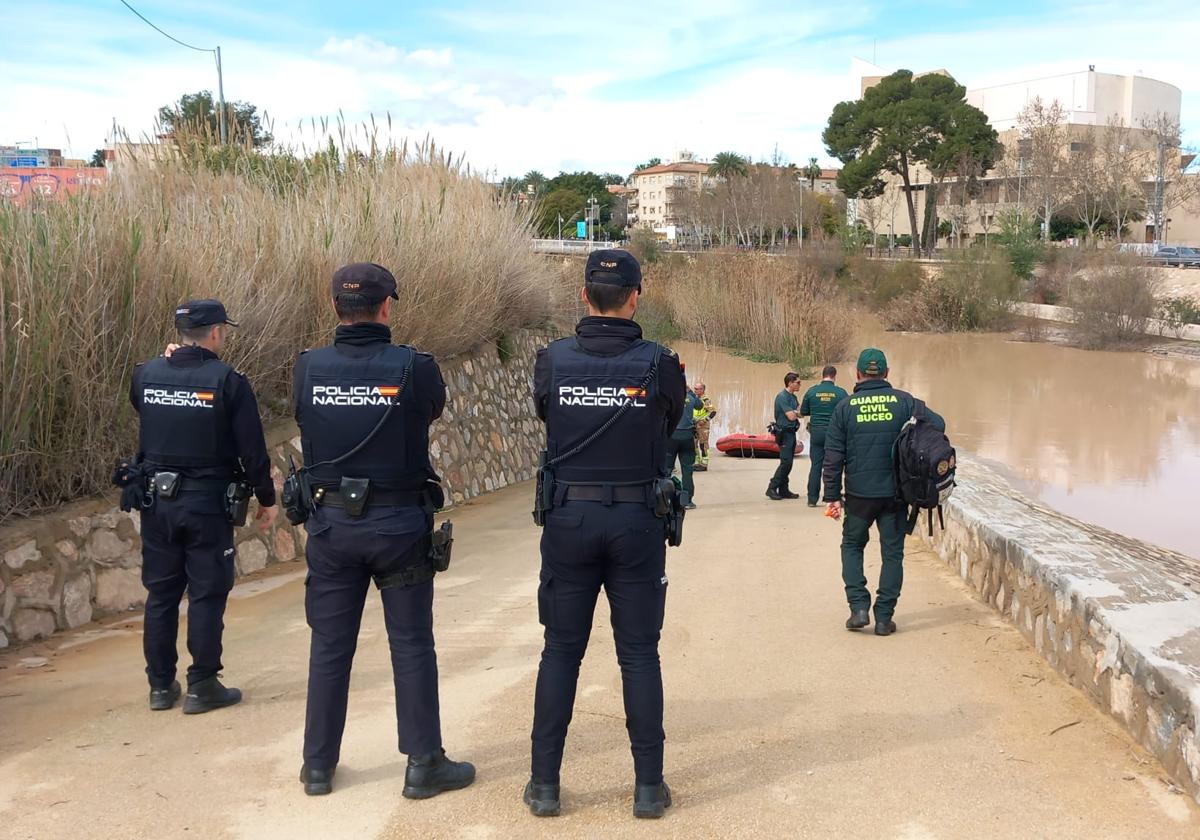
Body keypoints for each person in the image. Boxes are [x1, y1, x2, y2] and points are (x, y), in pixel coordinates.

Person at [293, 263, 474, 798]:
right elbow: (433, 408)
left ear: (334, 309)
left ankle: (318, 766)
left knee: (329, 645)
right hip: (398, 527)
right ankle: (423, 764)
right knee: (412, 643)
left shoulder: (307, 367)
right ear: (387, 307)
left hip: (331, 527)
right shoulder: (414, 367)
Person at [526, 249, 686, 820]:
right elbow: (669, 423)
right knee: (639, 654)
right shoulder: (660, 362)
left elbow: (549, 414)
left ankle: (544, 785)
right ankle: (648, 788)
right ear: (636, 296)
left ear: (584, 295)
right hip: (637, 520)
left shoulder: (553, 360)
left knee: (560, 653)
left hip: (570, 518)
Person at [130, 299, 277, 714]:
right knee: (207, 594)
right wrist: (267, 499)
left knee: (160, 595)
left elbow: (147, 410)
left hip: (156, 502)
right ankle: (203, 684)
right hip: (206, 506)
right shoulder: (228, 381)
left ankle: (160, 686)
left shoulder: (145, 374)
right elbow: (253, 451)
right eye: (223, 330)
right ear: (215, 332)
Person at [823, 349, 945, 636]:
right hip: (896, 495)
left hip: (858, 495)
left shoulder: (845, 407)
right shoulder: (906, 402)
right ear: (887, 373)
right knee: (892, 554)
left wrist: (832, 496)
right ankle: (884, 617)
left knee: (852, 546)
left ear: (858, 374)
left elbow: (833, 455)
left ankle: (859, 607)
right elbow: (938, 425)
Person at [800, 365, 848, 507]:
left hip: (816, 433)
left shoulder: (812, 391)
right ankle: (833, 497)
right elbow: (847, 414)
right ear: (834, 376)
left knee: (816, 465)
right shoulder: (841, 393)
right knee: (835, 465)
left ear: (823, 375)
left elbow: (804, 411)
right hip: (834, 434)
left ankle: (812, 499)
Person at [665, 375, 702, 509]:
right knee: (687, 470)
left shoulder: (670, 396)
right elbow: (700, 405)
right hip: (687, 437)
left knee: (667, 469)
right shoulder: (691, 397)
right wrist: (691, 392)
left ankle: (666, 499)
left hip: (672, 436)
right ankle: (687, 501)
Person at [765, 371, 803, 500]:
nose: (800, 384)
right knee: (786, 462)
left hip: (791, 433)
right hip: (784, 433)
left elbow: (801, 413)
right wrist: (795, 412)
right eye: (798, 382)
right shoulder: (782, 397)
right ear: (790, 383)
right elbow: (792, 416)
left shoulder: (793, 397)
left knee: (789, 463)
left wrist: (796, 412)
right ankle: (771, 487)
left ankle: (783, 489)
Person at [691, 381, 717, 471]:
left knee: (703, 445)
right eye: (695, 389)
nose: (695, 391)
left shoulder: (706, 400)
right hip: (694, 425)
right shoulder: (693, 399)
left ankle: (704, 464)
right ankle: (696, 462)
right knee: (693, 444)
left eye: (698, 389)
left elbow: (713, 412)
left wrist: (705, 420)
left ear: (702, 390)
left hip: (703, 426)